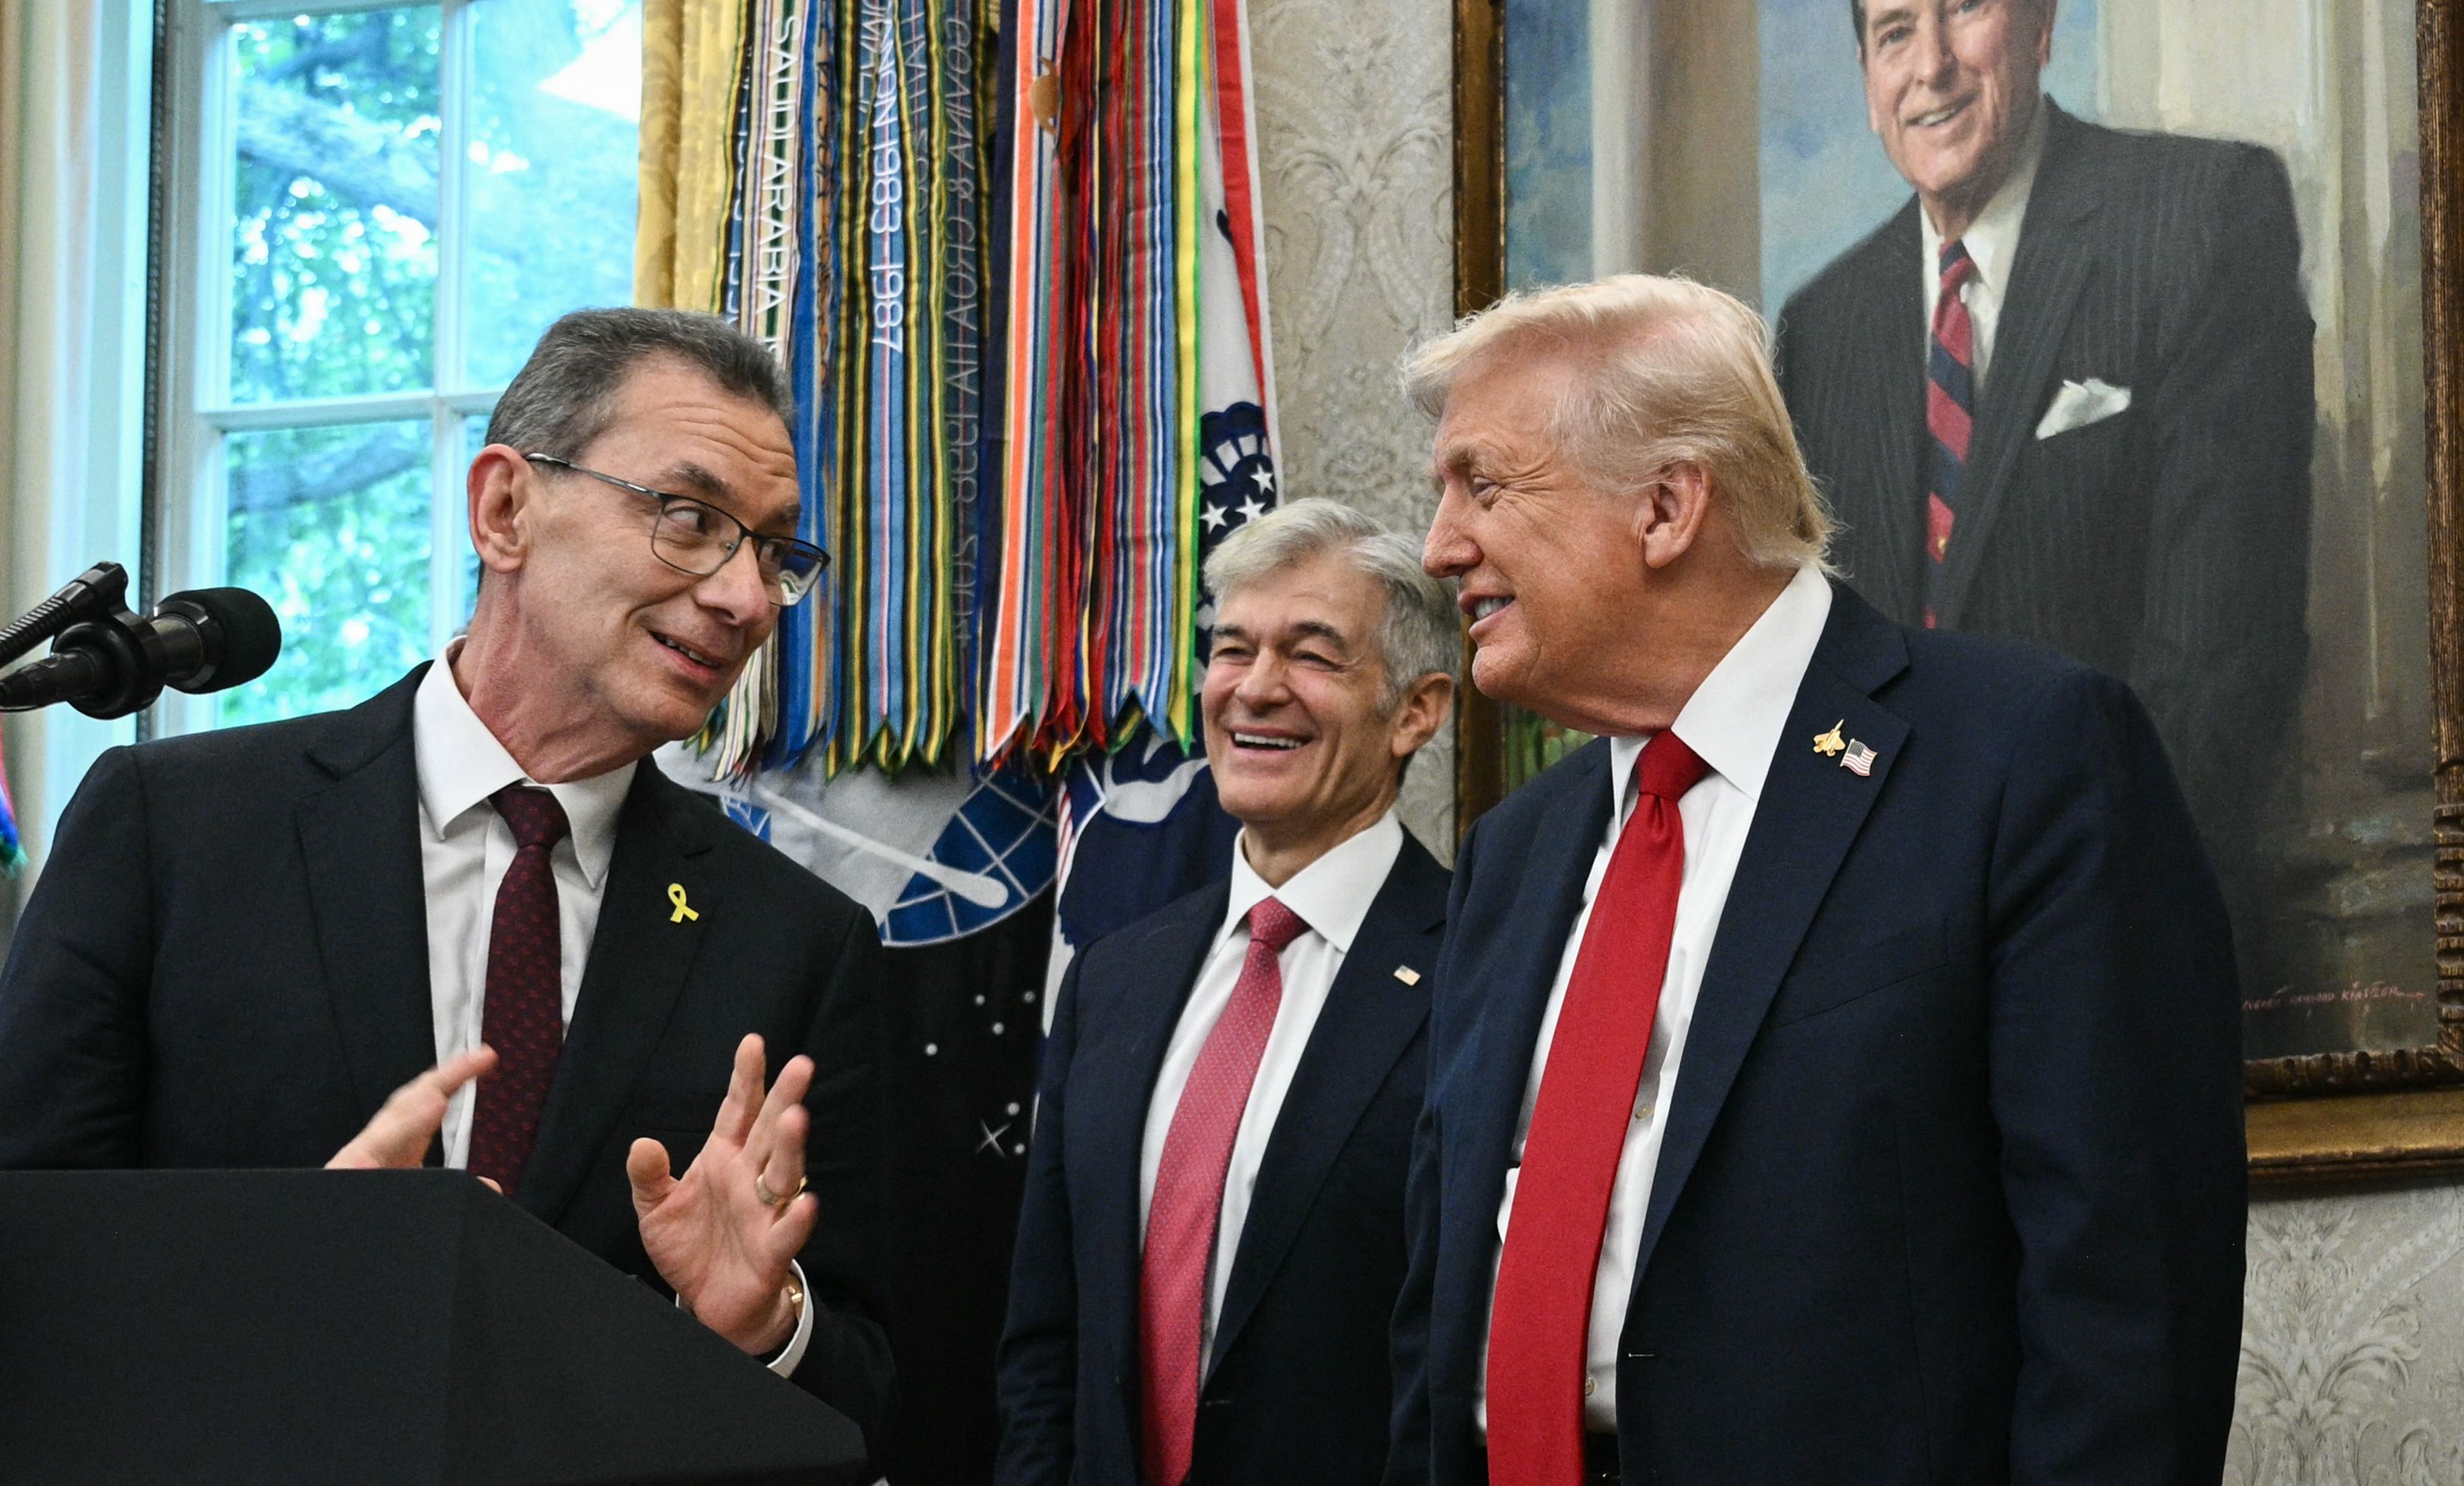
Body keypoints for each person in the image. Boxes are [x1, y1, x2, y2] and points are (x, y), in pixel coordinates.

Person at [1389, 273, 2245, 1484]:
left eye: (1482, 484)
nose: (1438, 548)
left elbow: (2127, 1302)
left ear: (1665, 506)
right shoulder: (1512, 854)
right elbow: (1437, 1315)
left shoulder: (2022, 758)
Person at [0, 308, 893, 1443]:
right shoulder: (170, 830)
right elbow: (26, 1263)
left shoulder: (796, 939)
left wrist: (760, 1324)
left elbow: (868, 1394)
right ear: (505, 509)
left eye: (774, 551)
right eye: (690, 518)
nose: (746, 598)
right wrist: (277, 1267)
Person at [1772, 0, 2313, 923]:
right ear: (1867, 78)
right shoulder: (1818, 331)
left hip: (2116, 914)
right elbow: (1814, 688)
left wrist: (2031, 917)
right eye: (1891, 33)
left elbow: (2217, 662)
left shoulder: (2200, 221)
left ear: (2039, 11)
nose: (1927, 66)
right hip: (1885, 949)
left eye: (1963, 5)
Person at [998, 499, 1458, 1486]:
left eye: (1311, 655)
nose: (1253, 689)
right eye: (1230, 648)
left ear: (1416, 710)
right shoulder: (1115, 973)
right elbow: (1048, 1334)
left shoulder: (1485, 973)